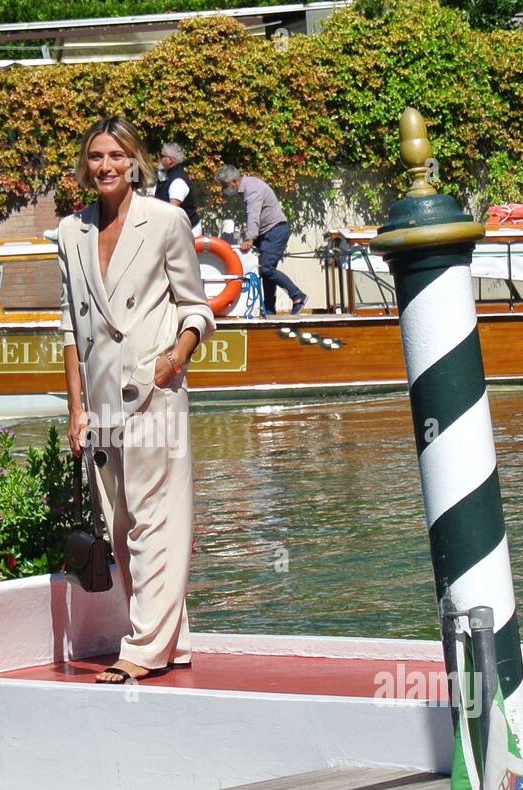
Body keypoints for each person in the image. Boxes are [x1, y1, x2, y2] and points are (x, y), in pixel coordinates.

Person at [55, 116, 216, 684]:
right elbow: (71, 330)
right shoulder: (70, 232)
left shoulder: (166, 221)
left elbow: (196, 308)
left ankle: (144, 647)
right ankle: (174, 640)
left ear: (135, 162)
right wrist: (75, 409)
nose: (106, 166)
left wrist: (172, 362)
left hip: (152, 392)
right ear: (85, 164)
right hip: (100, 403)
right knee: (123, 528)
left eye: (116, 156)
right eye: (96, 156)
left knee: (152, 519)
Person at [215, 165, 307, 315]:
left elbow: (253, 215)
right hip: (267, 233)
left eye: (224, 185)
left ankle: (298, 296)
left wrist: (250, 238)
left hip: (275, 231)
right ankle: (269, 309)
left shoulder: (252, 189)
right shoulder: (247, 186)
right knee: (266, 271)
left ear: (233, 181)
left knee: (266, 269)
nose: (224, 189)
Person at [154, 142, 202, 237]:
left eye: (162, 156)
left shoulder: (178, 181)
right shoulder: (168, 177)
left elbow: (171, 211)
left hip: (187, 233)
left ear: (170, 160)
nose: (159, 158)